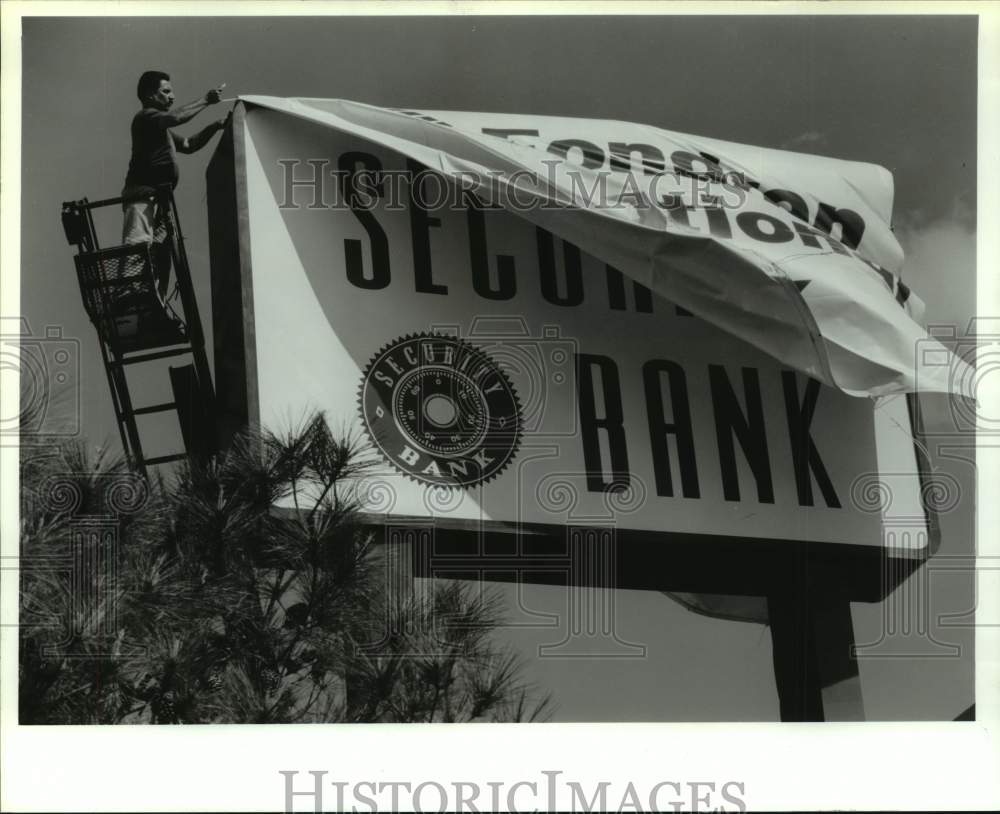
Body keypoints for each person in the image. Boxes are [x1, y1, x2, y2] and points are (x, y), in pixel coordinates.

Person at [121, 70, 229, 296]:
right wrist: (205, 101)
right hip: (142, 195)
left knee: (161, 254)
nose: (172, 97)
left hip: (160, 201)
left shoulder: (162, 130)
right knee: (139, 242)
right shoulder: (146, 118)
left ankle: (153, 298)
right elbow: (176, 117)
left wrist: (217, 125)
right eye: (166, 91)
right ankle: (128, 292)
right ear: (150, 96)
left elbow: (189, 144)